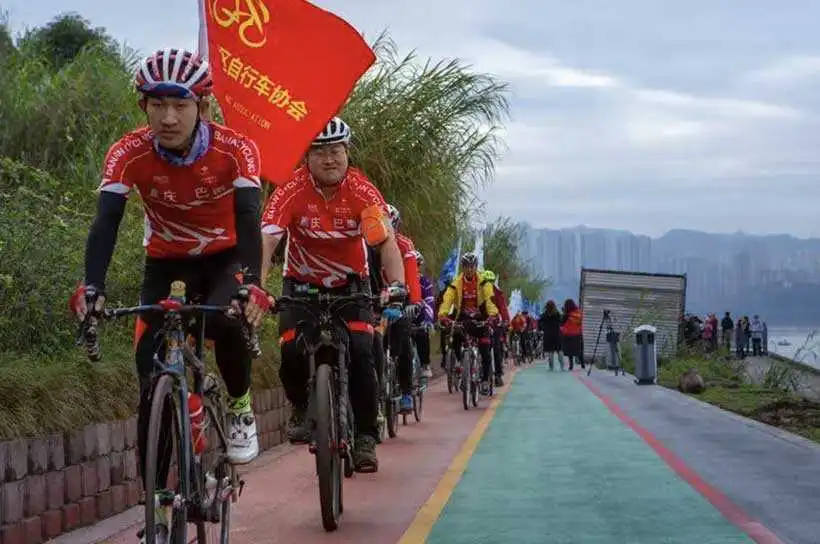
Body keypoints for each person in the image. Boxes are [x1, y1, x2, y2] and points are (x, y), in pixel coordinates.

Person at [68, 49, 266, 542]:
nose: (168, 117)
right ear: (144, 107)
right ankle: (155, 501)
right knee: (148, 379)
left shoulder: (236, 149)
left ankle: (240, 405)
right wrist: (92, 286)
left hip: (224, 257)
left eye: (180, 104)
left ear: (203, 106)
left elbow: (248, 220)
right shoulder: (128, 153)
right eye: (157, 105)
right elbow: (106, 222)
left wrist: (251, 284)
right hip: (165, 260)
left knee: (227, 318)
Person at [259, 116, 406, 473]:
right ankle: (300, 407)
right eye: (320, 152)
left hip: (351, 285)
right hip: (300, 283)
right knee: (290, 349)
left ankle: (366, 436)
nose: (329, 159)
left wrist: (397, 285)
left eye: (336, 150)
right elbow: (266, 240)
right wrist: (256, 286)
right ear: (306, 157)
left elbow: (386, 243)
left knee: (363, 353)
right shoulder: (291, 190)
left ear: (347, 152)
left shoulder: (362, 191)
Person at [384, 203, 426, 414]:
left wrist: (415, 302)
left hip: (402, 299)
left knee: (403, 343)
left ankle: (407, 392)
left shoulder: (405, 245)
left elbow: (412, 275)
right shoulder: (368, 243)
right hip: (379, 298)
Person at [437, 253, 499, 393]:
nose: (470, 269)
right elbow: (447, 300)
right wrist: (443, 315)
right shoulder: (456, 284)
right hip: (463, 317)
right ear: (462, 267)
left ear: (476, 267)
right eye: (466, 266)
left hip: (480, 318)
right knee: (454, 334)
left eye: (472, 266)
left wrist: (492, 316)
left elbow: (490, 301)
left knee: (485, 349)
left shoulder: (484, 283)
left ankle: (485, 380)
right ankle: (461, 364)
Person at [410, 250, 435, 380]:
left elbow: (429, 302)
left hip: (419, 320)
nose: (414, 267)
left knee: (423, 334)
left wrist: (428, 320)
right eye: (411, 264)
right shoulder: (401, 279)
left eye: (417, 265)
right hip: (404, 320)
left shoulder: (425, 282)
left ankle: (425, 364)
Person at [481, 269, 508, 386]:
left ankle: (498, 375)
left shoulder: (498, 293)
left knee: (496, 348)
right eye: (486, 281)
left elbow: (503, 308)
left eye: (490, 281)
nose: (488, 283)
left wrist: (506, 321)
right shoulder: (478, 292)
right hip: (481, 323)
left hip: (495, 324)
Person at [539, 300, 562, 370]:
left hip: (548, 334)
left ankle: (551, 366)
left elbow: (540, 324)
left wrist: (543, 329)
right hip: (557, 334)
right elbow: (560, 322)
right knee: (559, 350)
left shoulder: (544, 315)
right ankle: (562, 365)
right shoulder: (557, 314)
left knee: (550, 350)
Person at [560, 298, 583, 370]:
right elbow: (580, 323)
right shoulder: (579, 313)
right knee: (578, 350)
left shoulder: (567, 315)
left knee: (570, 351)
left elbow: (561, 323)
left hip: (568, 334)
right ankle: (583, 364)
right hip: (578, 334)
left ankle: (571, 366)